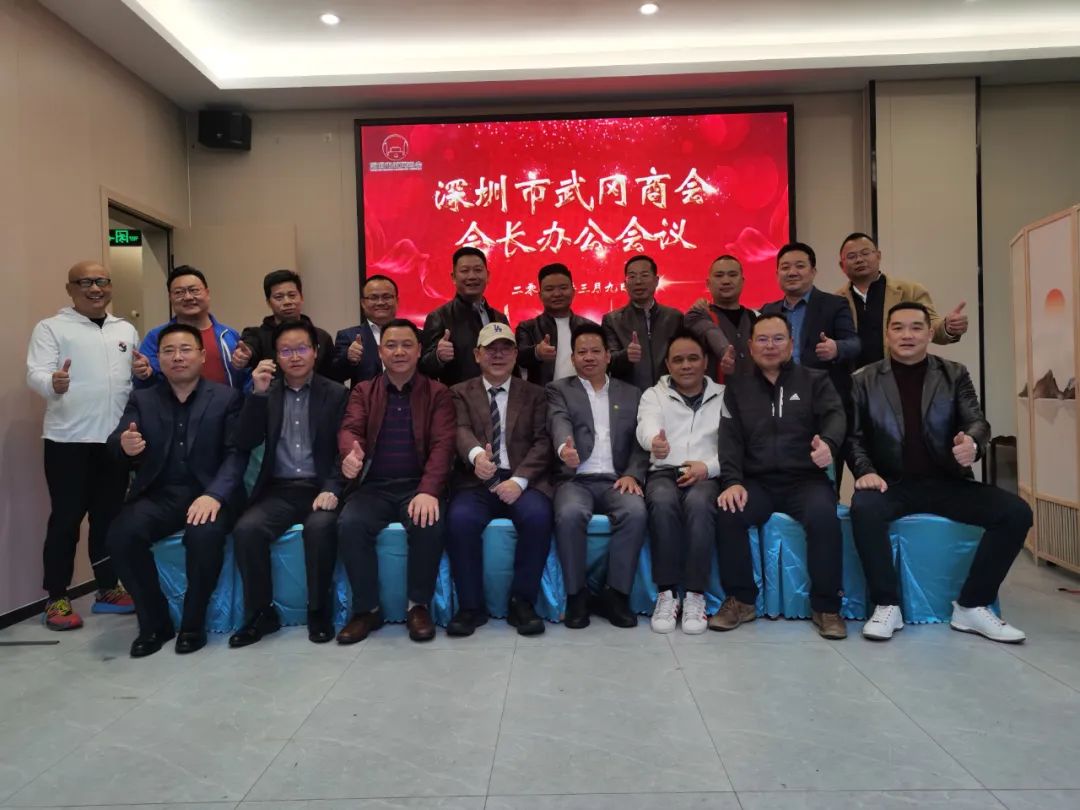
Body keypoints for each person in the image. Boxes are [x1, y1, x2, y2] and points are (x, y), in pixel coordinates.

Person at [849, 302, 1031, 643]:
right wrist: (865, 470)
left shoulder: (954, 373)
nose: (907, 335)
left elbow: (977, 422)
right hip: (892, 483)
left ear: (930, 333)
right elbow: (854, 438)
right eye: (898, 327)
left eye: (916, 327)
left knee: (1016, 512)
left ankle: (972, 605)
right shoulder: (864, 380)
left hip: (948, 481)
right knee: (863, 509)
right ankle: (887, 605)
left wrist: (972, 443)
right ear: (887, 334)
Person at [106, 324, 247, 657]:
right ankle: (154, 623)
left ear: (202, 356)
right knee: (121, 535)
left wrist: (215, 494)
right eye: (168, 351)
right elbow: (116, 441)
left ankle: (193, 624)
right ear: (159, 359)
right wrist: (125, 445)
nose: (177, 357)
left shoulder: (226, 397)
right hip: (160, 494)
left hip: (209, 493)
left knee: (203, 535)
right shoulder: (142, 399)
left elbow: (236, 455)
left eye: (185, 349)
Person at [26, 260, 150, 630]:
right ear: (70, 289)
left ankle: (108, 587)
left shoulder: (124, 328)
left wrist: (143, 372)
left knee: (108, 519)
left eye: (102, 281)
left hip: (114, 442)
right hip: (68, 440)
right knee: (66, 520)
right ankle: (56, 597)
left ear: (110, 286)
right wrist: (52, 382)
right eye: (85, 282)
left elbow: (132, 378)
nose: (95, 288)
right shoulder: (51, 327)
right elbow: (35, 372)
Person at [713, 314, 848, 639]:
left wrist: (828, 444)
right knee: (728, 513)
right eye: (762, 339)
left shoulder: (815, 380)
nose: (770, 346)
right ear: (750, 346)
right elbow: (729, 440)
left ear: (791, 343)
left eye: (778, 339)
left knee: (824, 516)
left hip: (806, 480)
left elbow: (836, 416)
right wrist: (732, 481)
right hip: (757, 482)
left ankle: (827, 607)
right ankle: (741, 600)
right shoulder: (737, 388)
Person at [229, 321, 349, 647]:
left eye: (301, 349)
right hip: (278, 490)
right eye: (285, 351)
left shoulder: (336, 394)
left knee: (320, 529)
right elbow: (244, 440)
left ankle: (318, 610)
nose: (294, 357)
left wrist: (333, 488)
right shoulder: (265, 393)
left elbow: (347, 450)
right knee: (247, 530)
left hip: (319, 487)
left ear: (315, 352)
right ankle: (260, 614)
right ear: (276, 357)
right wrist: (256, 395)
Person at [335, 318, 456, 644]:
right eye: (391, 345)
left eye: (406, 345)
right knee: (350, 523)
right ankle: (367, 610)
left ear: (419, 351)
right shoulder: (363, 391)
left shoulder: (438, 393)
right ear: (380, 351)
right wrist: (350, 454)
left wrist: (429, 490)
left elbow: (443, 445)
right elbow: (350, 429)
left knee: (429, 522)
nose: (399, 352)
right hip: (373, 486)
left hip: (417, 485)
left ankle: (418, 606)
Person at [445, 322, 553, 637]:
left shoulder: (535, 394)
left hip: (521, 480)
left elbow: (543, 442)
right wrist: (477, 456)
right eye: (490, 349)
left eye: (505, 348)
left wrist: (519, 481)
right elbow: (460, 430)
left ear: (516, 355)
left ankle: (522, 603)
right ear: (477, 355)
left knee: (538, 517)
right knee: (460, 520)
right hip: (476, 480)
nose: (498, 355)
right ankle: (470, 607)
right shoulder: (459, 392)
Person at [546, 323, 649, 629]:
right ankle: (576, 595)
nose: (588, 357)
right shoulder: (558, 390)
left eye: (595, 351)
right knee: (569, 514)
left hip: (617, 479)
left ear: (608, 355)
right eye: (582, 352)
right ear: (572, 358)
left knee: (635, 512)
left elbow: (641, 441)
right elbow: (558, 421)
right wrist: (564, 448)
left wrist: (633, 474)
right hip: (575, 479)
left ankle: (615, 595)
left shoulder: (632, 393)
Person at [636, 330, 725, 635]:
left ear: (705, 362)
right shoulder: (654, 394)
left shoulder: (724, 396)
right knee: (661, 502)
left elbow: (735, 446)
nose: (686, 365)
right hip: (664, 470)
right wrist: (654, 442)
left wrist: (708, 468)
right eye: (678, 360)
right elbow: (647, 425)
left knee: (700, 504)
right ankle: (666, 593)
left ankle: (696, 595)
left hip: (706, 472)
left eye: (693, 358)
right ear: (668, 364)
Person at [760, 242, 860, 485]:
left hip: (819, 404)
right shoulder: (768, 310)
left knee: (824, 480)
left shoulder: (834, 304)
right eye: (785, 267)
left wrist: (836, 348)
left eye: (799, 266)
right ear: (777, 273)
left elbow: (855, 343)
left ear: (813, 271)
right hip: (776, 406)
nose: (792, 272)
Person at [835, 232, 968, 369]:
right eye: (851, 256)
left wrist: (948, 327)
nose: (859, 260)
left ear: (878, 256)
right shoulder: (835, 300)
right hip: (852, 378)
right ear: (841, 265)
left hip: (901, 375)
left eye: (865, 253)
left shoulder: (910, 291)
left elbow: (931, 325)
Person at [137, 265, 248, 389]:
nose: (188, 297)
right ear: (170, 298)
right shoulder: (156, 337)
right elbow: (144, 385)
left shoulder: (229, 335)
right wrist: (144, 375)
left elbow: (245, 378)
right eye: (179, 292)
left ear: (207, 293)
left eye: (194, 290)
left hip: (227, 401)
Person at [420, 247, 509, 387]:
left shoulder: (500, 318)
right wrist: (437, 357)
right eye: (465, 271)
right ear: (453, 277)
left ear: (487, 276)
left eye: (478, 270)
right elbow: (424, 368)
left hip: (499, 394)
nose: (472, 276)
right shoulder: (439, 317)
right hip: (459, 397)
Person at [231, 269, 339, 381]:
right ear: (268, 302)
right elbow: (250, 347)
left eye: (292, 295)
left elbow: (334, 378)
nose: (287, 302)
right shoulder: (256, 335)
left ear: (301, 297)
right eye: (279, 297)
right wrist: (244, 356)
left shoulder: (321, 336)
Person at [601, 254, 684, 391]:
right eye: (632, 277)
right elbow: (606, 362)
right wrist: (626, 356)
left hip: (669, 394)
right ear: (625, 284)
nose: (638, 281)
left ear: (656, 281)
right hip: (629, 396)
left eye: (644, 275)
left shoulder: (674, 318)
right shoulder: (612, 320)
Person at [515, 263, 597, 385]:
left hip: (585, 394)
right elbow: (519, 358)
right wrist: (537, 352)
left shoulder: (591, 328)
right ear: (540, 295)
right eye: (549, 289)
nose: (557, 294)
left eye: (563, 288)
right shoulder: (528, 327)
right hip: (543, 394)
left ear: (573, 292)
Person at [685, 254, 756, 380]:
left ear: (742, 281)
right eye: (719, 275)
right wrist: (725, 352)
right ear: (708, 283)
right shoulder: (698, 315)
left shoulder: (754, 317)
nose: (726, 281)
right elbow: (710, 331)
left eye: (732, 275)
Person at [331, 274, 398, 386]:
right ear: (363, 303)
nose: (380, 302)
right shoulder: (348, 336)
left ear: (397, 300)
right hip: (365, 397)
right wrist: (348, 358)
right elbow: (336, 376)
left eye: (386, 297)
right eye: (373, 298)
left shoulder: (415, 335)